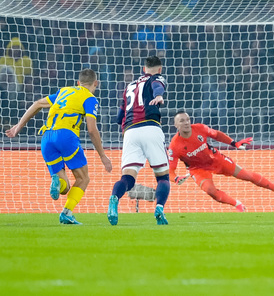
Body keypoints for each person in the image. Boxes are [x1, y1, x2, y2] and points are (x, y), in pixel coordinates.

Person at [5, 69, 112, 224]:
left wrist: (18, 126)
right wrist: (102, 155)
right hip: (66, 136)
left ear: (78, 83)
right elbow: (91, 129)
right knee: (83, 178)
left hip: (47, 138)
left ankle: (57, 180)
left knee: (65, 188)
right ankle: (66, 213)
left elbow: (37, 104)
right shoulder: (90, 98)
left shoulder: (63, 92)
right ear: (96, 83)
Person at [168, 111, 274, 212]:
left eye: (188, 120)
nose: (186, 123)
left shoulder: (199, 128)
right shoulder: (174, 146)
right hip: (198, 170)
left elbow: (217, 135)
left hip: (215, 159)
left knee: (247, 176)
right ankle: (237, 204)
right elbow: (170, 171)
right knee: (211, 192)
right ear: (176, 125)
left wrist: (234, 143)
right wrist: (175, 179)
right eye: (182, 121)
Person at [108, 56, 170, 225]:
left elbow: (119, 116)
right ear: (159, 69)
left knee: (128, 179)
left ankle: (114, 198)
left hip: (130, 132)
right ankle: (159, 209)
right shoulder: (156, 78)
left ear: (143, 69)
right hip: (150, 127)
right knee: (163, 177)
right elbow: (158, 86)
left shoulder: (130, 86)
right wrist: (158, 96)